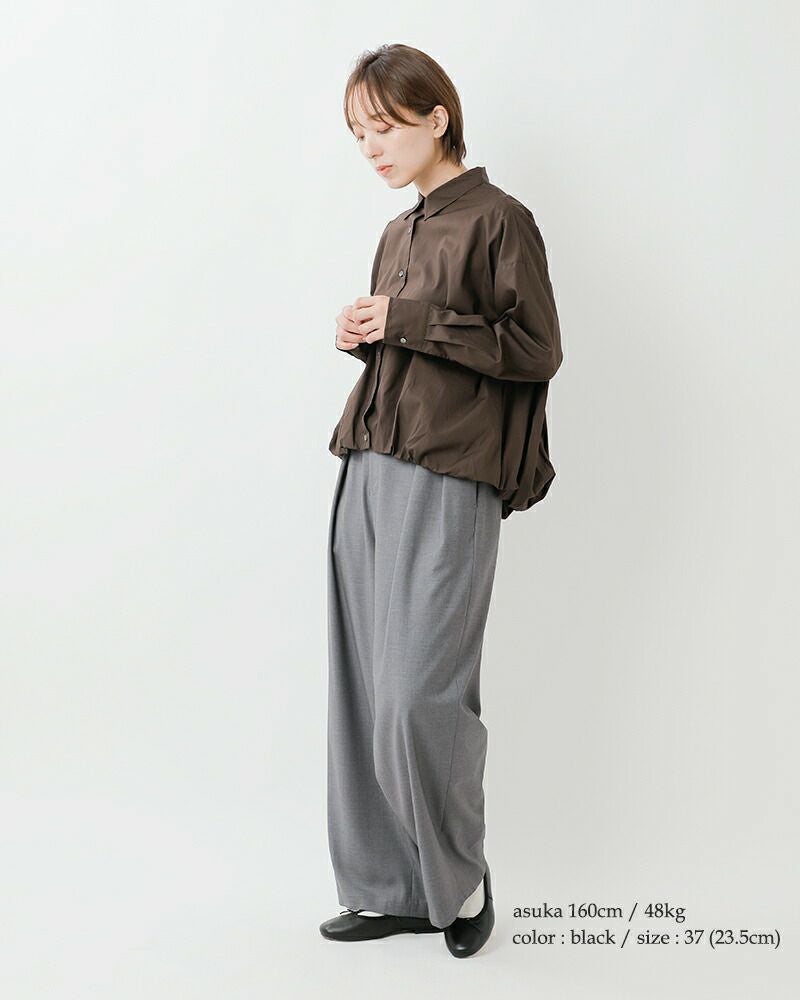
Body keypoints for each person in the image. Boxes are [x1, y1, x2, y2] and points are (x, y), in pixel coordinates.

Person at [320, 43, 562, 959]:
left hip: (450, 473)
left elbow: (535, 348)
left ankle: (458, 882)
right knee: (367, 692)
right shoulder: (398, 232)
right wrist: (364, 337)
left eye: (383, 127)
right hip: (369, 467)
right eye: (358, 134)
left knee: (421, 693)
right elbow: (423, 350)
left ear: (436, 118)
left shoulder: (501, 220)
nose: (371, 148)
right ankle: (391, 889)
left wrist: (410, 321)